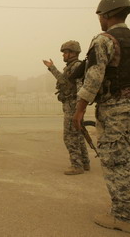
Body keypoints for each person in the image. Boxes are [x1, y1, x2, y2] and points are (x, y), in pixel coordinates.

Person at [72, 0, 130, 234]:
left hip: (116, 110)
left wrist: (79, 110)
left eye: (100, 15)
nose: (99, 19)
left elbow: (94, 78)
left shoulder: (104, 40)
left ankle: (123, 217)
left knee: (116, 162)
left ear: (106, 15)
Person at [43, 41, 90, 175]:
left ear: (73, 53)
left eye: (65, 52)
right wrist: (52, 68)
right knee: (78, 135)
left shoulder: (76, 66)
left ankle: (77, 165)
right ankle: (85, 163)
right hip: (73, 104)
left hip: (73, 105)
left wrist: (52, 68)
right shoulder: (72, 66)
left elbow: (72, 84)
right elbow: (65, 81)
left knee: (69, 136)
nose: (63, 55)